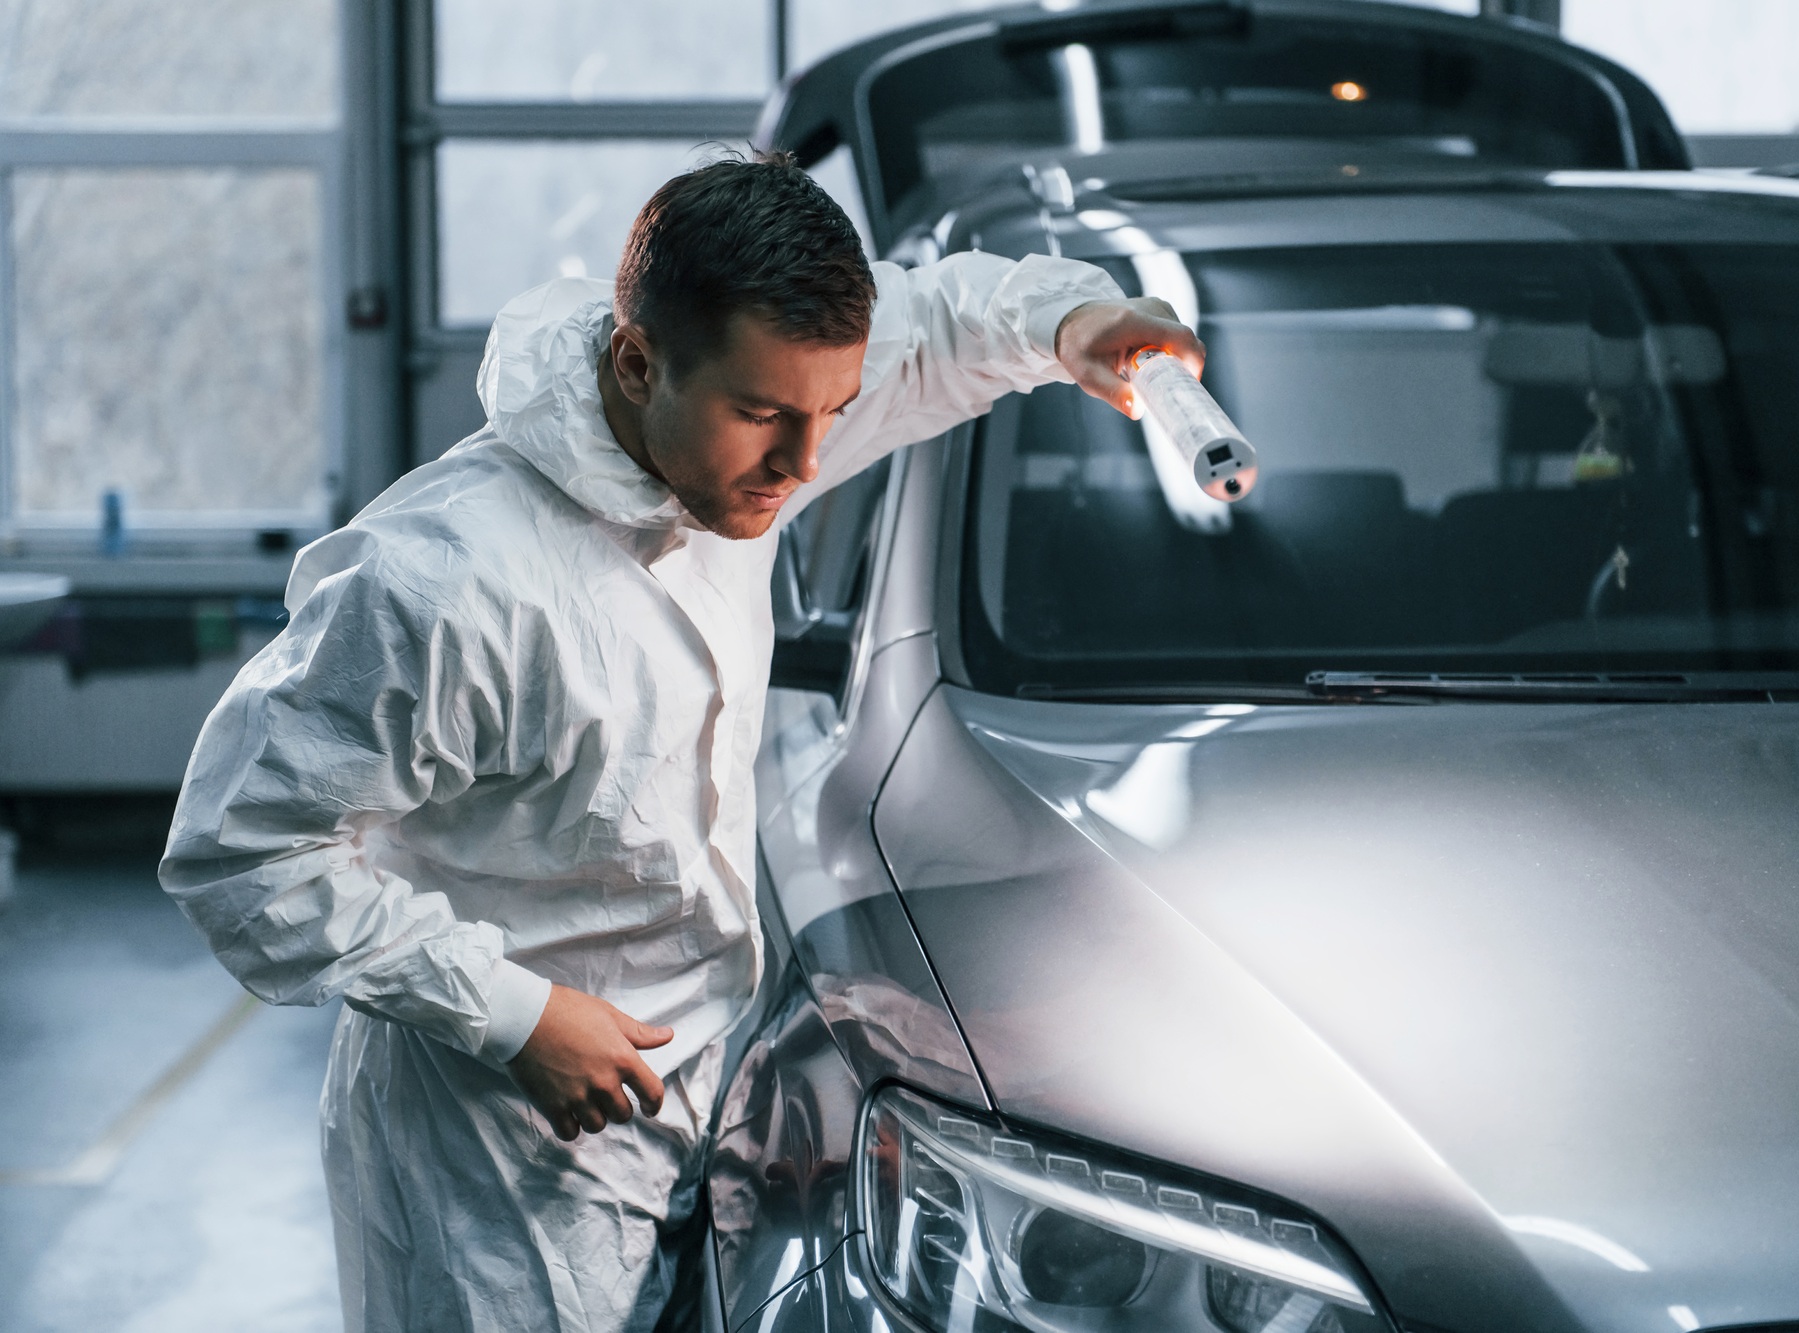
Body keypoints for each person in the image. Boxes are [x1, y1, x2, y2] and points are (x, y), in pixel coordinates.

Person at [158, 153, 1202, 1333]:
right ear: (636, 362)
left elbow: (937, 326)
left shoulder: (743, 425)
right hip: (495, 1156)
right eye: (763, 417)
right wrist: (510, 1013)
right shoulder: (444, 583)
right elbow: (239, 852)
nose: (804, 464)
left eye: (831, 413)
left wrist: (1074, 322)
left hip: (700, 1099)